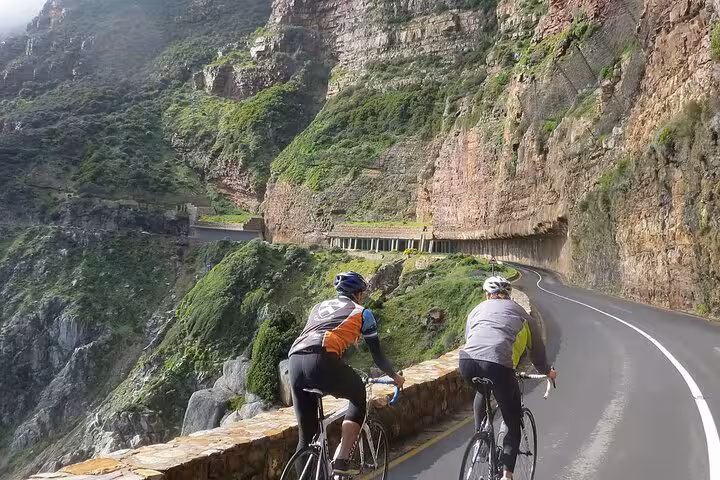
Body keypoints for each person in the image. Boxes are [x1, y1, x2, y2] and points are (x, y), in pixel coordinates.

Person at [287, 271, 405, 476]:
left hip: (294, 361)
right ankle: (342, 461)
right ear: (358, 294)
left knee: (306, 436)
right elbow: (378, 357)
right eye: (363, 294)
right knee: (358, 394)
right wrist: (395, 377)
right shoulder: (362, 313)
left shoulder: (317, 308)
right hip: (321, 358)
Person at [459, 276, 557, 480]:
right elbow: (536, 350)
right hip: (497, 365)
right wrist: (547, 371)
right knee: (512, 422)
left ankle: (482, 441)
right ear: (509, 295)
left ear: (487, 295)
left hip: (466, 363)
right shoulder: (520, 312)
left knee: (482, 392)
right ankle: (507, 475)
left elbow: (470, 338)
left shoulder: (475, 310)